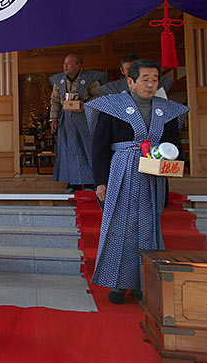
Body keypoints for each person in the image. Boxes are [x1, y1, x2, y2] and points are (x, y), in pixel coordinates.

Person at [85, 59, 188, 304]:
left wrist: (175, 164)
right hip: (121, 171)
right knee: (121, 228)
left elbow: (174, 143)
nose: (151, 84)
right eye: (145, 79)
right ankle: (119, 284)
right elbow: (99, 147)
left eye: (155, 80)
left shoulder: (167, 109)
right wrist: (100, 181)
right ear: (130, 81)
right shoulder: (113, 106)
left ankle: (145, 282)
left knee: (149, 228)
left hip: (153, 175)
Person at [49, 53, 107, 193]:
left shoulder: (90, 79)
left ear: (78, 65)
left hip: (86, 118)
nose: (65, 66)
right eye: (64, 63)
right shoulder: (59, 80)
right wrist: (54, 119)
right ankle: (72, 183)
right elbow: (55, 101)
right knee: (69, 150)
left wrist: (84, 105)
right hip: (66, 120)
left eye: (69, 63)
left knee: (87, 149)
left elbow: (99, 96)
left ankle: (89, 182)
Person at [99, 54, 173, 96]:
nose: (132, 71)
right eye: (128, 69)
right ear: (122, 70)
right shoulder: (112, 87)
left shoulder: (160, 82)